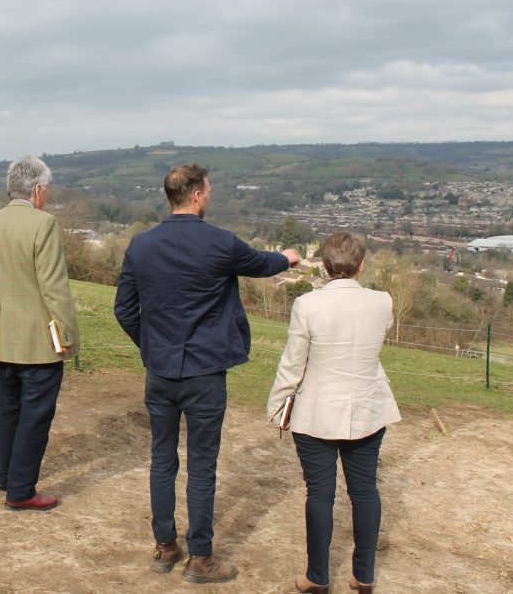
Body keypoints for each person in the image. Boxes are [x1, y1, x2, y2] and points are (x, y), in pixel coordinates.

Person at [114, 164, 300, 585]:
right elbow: (262, 264)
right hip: (205, 372)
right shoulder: (220, 243)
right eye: (209, 191)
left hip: (159, 371)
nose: (210, 197)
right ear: (196, 195)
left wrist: (152, 346)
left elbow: (124, 310)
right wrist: (289, 258)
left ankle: (165, 546)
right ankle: (200, 558)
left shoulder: (140, 245)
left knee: (161, 458)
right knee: (202, 464)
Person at [266, 231, 401, 594]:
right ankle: (364, 574)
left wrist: (277, 404)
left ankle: (317, 576)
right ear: (361, 264)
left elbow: (293, 365)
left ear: (324, 266)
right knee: (365, 492)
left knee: (320, 494)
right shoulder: (382, 301)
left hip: (317, 412)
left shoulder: (308, 305)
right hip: (368, 408)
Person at [0, 155, 79, 512]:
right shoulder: (43, 224)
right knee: (35, 414)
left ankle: (6, 475)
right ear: (38, 189)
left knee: (8, 408)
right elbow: (54, 288)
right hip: (38, 343)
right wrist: (68, 335)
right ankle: (21, 490)